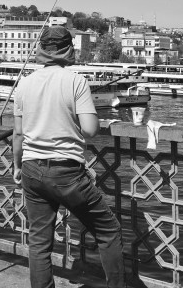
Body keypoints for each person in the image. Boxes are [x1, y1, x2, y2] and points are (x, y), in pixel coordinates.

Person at [13, 26, 126, 288]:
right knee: (108, 231)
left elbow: (18, 134)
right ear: (69, 50)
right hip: (67, 173)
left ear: (41, 50)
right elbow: (90, 130)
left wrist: (17, 167)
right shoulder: (76, 81)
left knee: (39, 241)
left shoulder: (24, 84)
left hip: (31, 169)